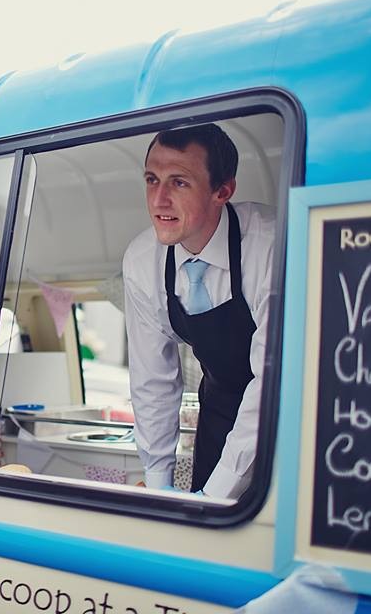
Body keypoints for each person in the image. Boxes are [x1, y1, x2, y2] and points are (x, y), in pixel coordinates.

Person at [122, 124, 274, 500]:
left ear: (223, 191)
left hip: (283, 421)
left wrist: (215, 496)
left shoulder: (270, 245)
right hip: (219, 417)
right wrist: (160, 489)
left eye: (179, 183)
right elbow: (153, 380)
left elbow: (273, 381)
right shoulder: (143, 262)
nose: (158, 200)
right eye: (152, 179)